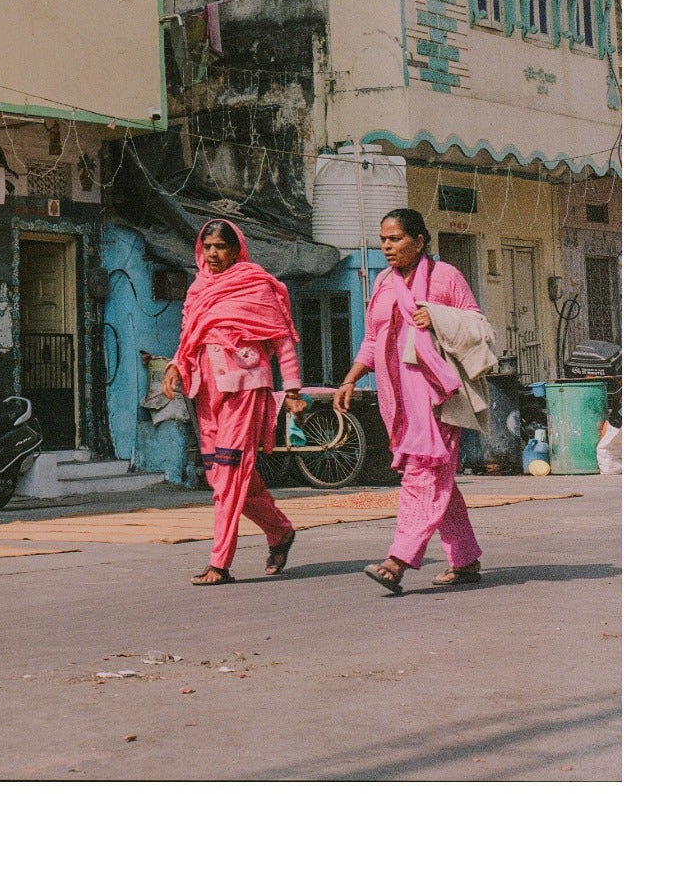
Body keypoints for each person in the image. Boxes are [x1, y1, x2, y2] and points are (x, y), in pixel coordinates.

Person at [336, 208, 486, 593]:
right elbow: (373, 339)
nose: (387, 246)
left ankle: (398, 560)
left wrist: (436, 317)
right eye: (383, 239)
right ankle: (465, 559)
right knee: (436, 477)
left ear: (419, 242)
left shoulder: (445, 276)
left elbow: (476, 324)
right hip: (399, 400)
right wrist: (351, 378)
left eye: (396, 238)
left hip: (438, 396)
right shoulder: (383, 283)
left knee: (424, 474)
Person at [162, 219, 303, 585]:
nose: (213, 254)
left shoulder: (255, 284)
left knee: (230, 473)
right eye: (207, 247)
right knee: (220, 474)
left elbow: (283, 338)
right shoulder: (198, 288)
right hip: (206, 389)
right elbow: (189, 335)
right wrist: (176, 365)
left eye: (221, 247)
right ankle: (280, 530)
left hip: (245, 386)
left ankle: (219, 562)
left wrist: (291, 390)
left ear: (236, 249)